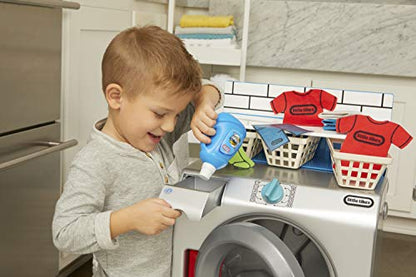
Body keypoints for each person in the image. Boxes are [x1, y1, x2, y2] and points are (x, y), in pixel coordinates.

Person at [52, 25, 223, 277]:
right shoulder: (96, 161)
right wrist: (128, 219)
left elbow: (211, 87)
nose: (171, 125)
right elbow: (64, 232)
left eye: (178, 113)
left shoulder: (157, 135)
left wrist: (203, 105)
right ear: (116, 97)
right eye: (160, 113)